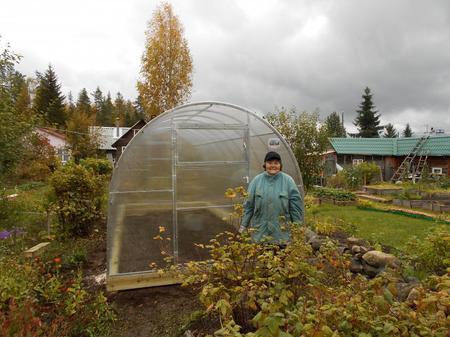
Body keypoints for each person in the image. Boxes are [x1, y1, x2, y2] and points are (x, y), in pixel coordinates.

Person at [239, 151, 304, 243]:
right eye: (269, 163)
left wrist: (297, 227)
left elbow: (295, 206)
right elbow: (249, 205)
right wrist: (243, 225)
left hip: (281, 233)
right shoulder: (257, 181)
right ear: (265, 165)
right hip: (260, 231)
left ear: (280, 165)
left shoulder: (288, 181)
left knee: (281, 256)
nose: (273, 165)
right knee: (262, 256)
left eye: (276, 163)